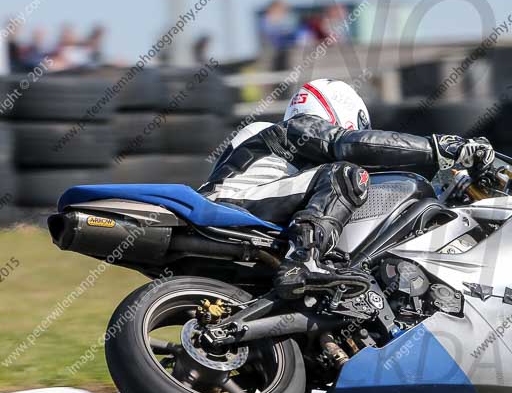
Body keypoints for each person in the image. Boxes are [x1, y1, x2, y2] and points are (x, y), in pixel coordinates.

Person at [199, 79, 495, 299]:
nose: (358, 131)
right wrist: (437, 148)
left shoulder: (292, 161)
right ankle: (305, 261)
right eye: (359, 125)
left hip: (244, 217)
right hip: (227, 205)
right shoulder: (295, 128)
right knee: (348, 174)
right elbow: (349, 145)